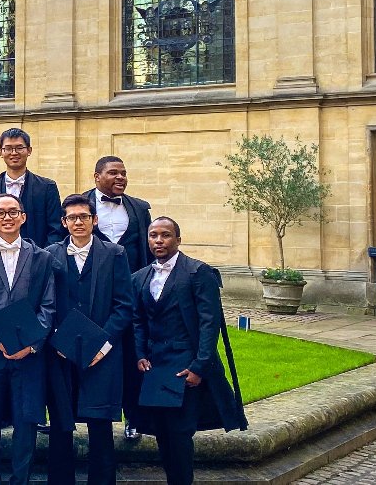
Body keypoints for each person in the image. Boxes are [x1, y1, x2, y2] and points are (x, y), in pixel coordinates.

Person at [130, 217, 247, 485]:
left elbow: (210, 323)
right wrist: (139, 354)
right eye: (153, 235)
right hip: (155, 367)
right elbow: (138, 321)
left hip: (185, 366)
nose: (158, 241)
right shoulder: (140, 277)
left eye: (165, 235)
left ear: (178, 240)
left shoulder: (197, 273)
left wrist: (199, 366)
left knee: (180, 432)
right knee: (161, 431)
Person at [42, 194, 136, 485]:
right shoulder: (50, 254)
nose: (78, 222)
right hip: (60, 352)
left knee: (100, 426)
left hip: (103, 354)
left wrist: (103, 344)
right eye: (72, 217)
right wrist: (57, 340)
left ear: (94, 220)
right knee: (60, 425)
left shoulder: (115, 254)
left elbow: (124, 305)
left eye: (84, 216)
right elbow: (45, 304)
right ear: (64, 222)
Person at [0, 194, 58, 485]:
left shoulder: (42, 257)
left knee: (26, 424)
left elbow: (48, 305)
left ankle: (21, 480)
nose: (7, 217)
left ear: (23, 217)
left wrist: (30, 345)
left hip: (29, 357)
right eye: (0, 213)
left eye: (12, 212)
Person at [81, 156, 152, 442]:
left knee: (133, 355)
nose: (121, 177)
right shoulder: (80, 206)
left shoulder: (140, 208)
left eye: (124, 173)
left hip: (130, 294)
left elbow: (146, 252)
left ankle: (133, 417)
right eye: (113, 173)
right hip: (91, 296)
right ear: (97, 176)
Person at [0, 128, 63, 246]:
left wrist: (42, 257)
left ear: (29, 150)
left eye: (19, 148)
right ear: (0, 152)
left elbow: (56, 229)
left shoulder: (47, 187)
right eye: (8, 148)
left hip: (37, 257)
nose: (14, 153)